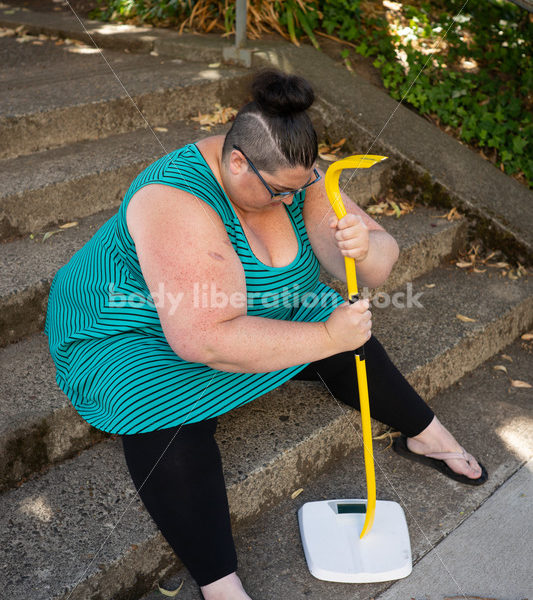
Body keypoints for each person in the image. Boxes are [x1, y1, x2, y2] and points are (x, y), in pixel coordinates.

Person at [44, 68, 487, 600]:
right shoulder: (174, 201)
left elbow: (375, 270)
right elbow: (204, 340)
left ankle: (424, 431)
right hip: (127, 323)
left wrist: (366, 249)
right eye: (280, 193)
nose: (291, 202)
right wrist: (326, 338)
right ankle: (218, 581)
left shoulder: (293, 169)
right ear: (237, 162)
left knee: (339, 318)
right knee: (156, 407)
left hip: (244, 307)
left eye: (300, 190)